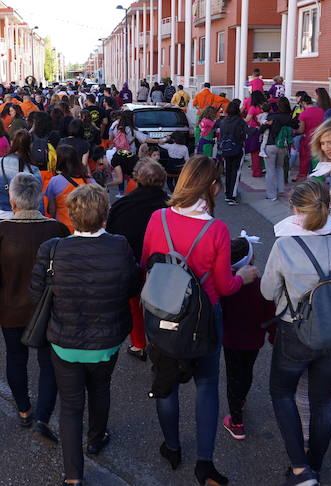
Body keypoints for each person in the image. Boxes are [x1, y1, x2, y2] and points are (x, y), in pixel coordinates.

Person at [141, 156, 258, 486]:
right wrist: (244, 276)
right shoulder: (216, 229)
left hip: (162, 311)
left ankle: (173, 446)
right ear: (213, 187)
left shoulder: (158, 218)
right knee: (206, 386)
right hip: (203, 318)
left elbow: (145, 264)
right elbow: (224, 286)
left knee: (165, 383)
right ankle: (204, 463)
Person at [260, 180, 331, 485]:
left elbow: (268, 291)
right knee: (322, 398)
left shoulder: (285, 245)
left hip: (295, 330)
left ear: (295, 210)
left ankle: (300, 470)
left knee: (282, 392)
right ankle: (315, 467)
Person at [31, 183, 138, 486]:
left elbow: (35, 294)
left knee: (70, 405)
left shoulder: (53, 249)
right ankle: (96, 437)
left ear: (71, 216)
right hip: (107, 339)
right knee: (101, 388)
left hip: (64, 342)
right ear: (104, 216)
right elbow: (131, 287)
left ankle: (73, 475)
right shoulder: (119, 245)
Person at [0, 172, 69, 443]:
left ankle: (24, 409)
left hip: (11, 309)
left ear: (13, 200)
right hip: (48, 310)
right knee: (48, 364)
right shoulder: (57, 230)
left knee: (15, 358)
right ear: (38, 198)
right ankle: (42, 416)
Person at [106, 158, 169, 361]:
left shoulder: (122, 205)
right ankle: (162, 343)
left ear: (137, 179)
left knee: (134, 305)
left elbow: (111, 235)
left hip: (131, 265)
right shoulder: (171, 206)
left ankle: (139, 344)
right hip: (164, 269)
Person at [221, 235, 274, 441]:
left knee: (233, 375)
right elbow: (270, 313)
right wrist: (273, 336)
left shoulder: (226, 284)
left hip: (231, 339)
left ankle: (236, 421)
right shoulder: (261, 284)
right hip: (254, 339)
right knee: (247, 371)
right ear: (251, 259)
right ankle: (241, 399)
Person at [0, 130, 42, 223]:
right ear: (30, 146)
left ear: (12, 143)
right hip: (22, 218)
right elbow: (37, 198)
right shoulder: (33, 170)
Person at [46, 145, 94, 233]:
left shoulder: (55, 181)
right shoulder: (89, 180)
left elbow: (52, 210)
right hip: (86, 227)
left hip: (64, 227)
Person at [262, 97, 298, 201]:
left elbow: (263, 128)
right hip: (283, 146)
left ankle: (271, 194)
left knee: (270, 170)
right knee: (280, 167)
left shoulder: (272, 116)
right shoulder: (289, 117)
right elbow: (295, 127)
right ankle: (280, 189)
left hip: (271, 144)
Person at [217, 100, 251, 205]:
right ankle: (232, 196)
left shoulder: (223, 121)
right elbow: (248, 132)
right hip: (237, 148)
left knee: (228, 171)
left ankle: (227, 193)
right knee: (236, 173)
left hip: (225, 149)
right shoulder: (240, 121)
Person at [294, 94, 324, 182]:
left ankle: (302, 179)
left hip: (307, 140)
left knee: (304, 161)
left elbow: (301, 130)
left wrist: (294, 132)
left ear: (303, 103)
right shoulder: (321, 111)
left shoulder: (303, 114)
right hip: (320, 138)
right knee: (317, 161)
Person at [242, 91, 267, 178]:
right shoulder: (266, 106)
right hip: (265, 130)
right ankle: (264, 168)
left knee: (255, 151)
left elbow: (247, 119)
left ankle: (256, 171)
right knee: (263, 151)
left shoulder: (253, 107)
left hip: (255, 131)